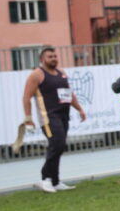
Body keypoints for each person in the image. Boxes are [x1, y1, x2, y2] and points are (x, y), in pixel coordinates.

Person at [21, 47, 86, 193]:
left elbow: (69, 94)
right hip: (48, 117)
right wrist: (28, 118)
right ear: (42, 60)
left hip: (64, 114)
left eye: (55, 56)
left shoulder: (61, 73)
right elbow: (26, 97)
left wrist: (79, 109)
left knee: (60, 146)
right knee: (57, 144)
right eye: (50, 57)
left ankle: (55, 181)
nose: (54, 59)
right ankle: (45, 179)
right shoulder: (37, 75)